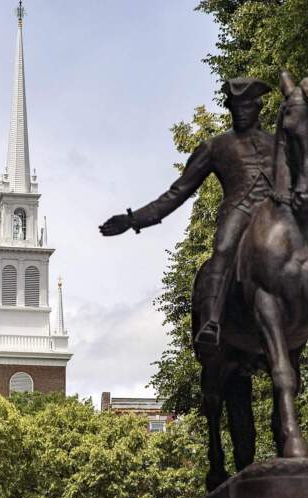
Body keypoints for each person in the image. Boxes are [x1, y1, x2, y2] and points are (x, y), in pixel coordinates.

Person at [100, 78, 274, 351]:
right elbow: (177, 193)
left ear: (258, 107)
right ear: (230, 108)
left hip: (277, 212)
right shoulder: (215, 146)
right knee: (224, 248)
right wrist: (133, 219)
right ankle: (212, 321)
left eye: (247, 105)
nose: (241, 111)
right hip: (239, 211)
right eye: (235, 106)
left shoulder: (278, 144)